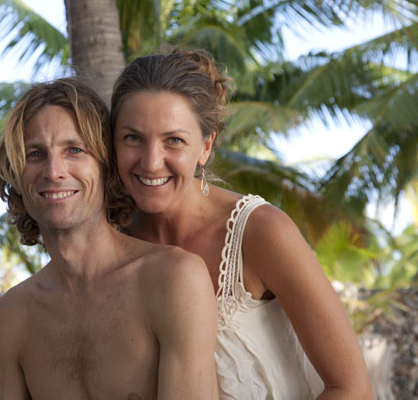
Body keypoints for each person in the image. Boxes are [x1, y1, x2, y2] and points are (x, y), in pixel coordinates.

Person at [110, 50, 373, 399]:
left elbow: (353, 389)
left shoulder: (260, 232)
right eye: (133, 138)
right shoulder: (106, 248)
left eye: (174, 140)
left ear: (205, 147)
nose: (151, 162)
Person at [0, 77, 219, 400]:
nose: (54, 171)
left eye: (74, 150)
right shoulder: (7, 320)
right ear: (15, 174)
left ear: (106, 165)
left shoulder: (173, 279)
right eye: (35, 154)